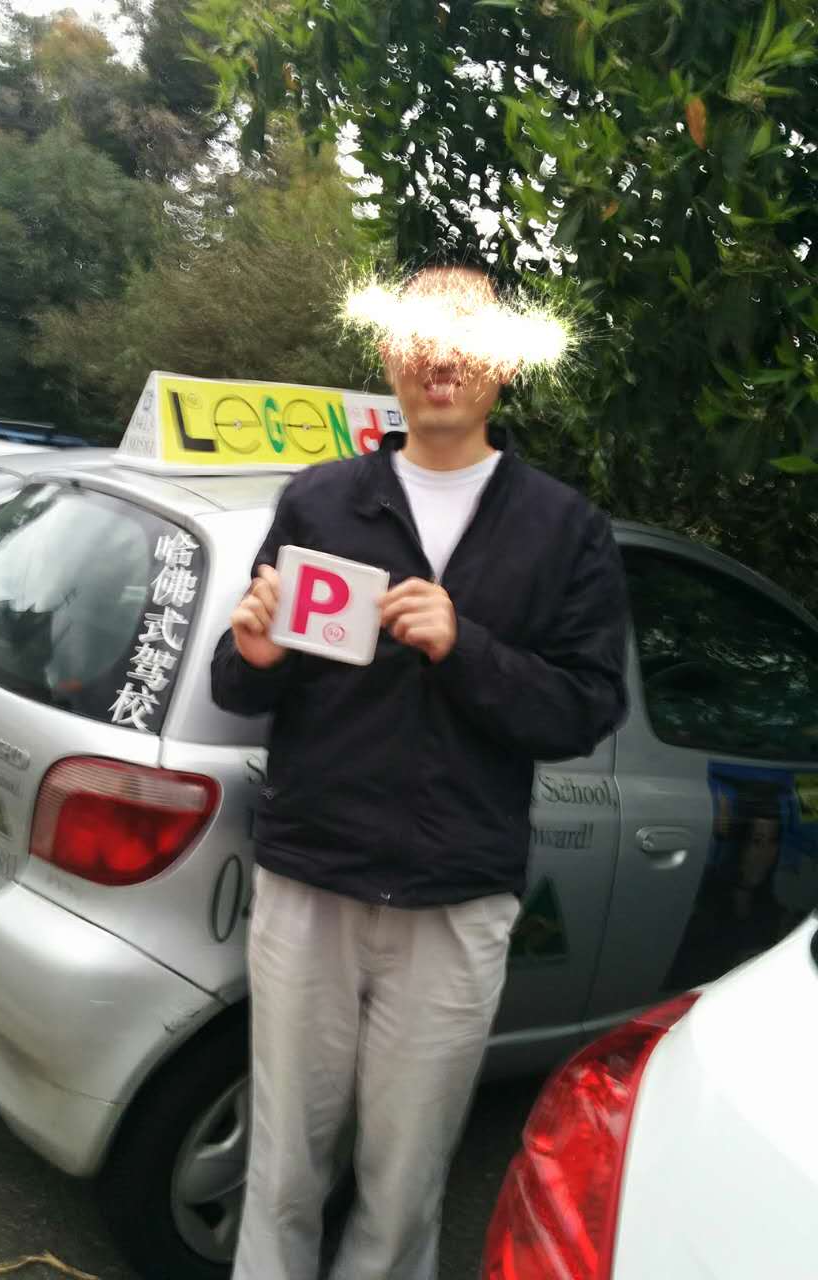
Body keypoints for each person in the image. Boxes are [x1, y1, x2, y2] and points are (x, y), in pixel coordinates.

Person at [211, 265, 629, 1280]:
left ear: (506, 363)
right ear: (389, 355)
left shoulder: (563, 526)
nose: (441, 359)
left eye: (466, 338)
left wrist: (464, 644)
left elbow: (585, 708)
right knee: (283, 1168)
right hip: (310, 878)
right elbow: (238, 683)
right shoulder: (321, 499)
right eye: (418, 336)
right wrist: (252, 654)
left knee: (404, 1183)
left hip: (455, 895)